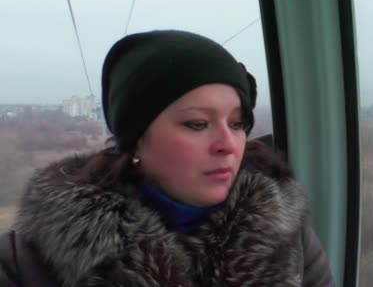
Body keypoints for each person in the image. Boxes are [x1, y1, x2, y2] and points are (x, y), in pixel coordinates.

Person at [0, 30, 335, 286]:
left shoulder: (287, 232)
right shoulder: (31, 259)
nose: (229, 145)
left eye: (237, 124)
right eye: (197, 124)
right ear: (136, 141)